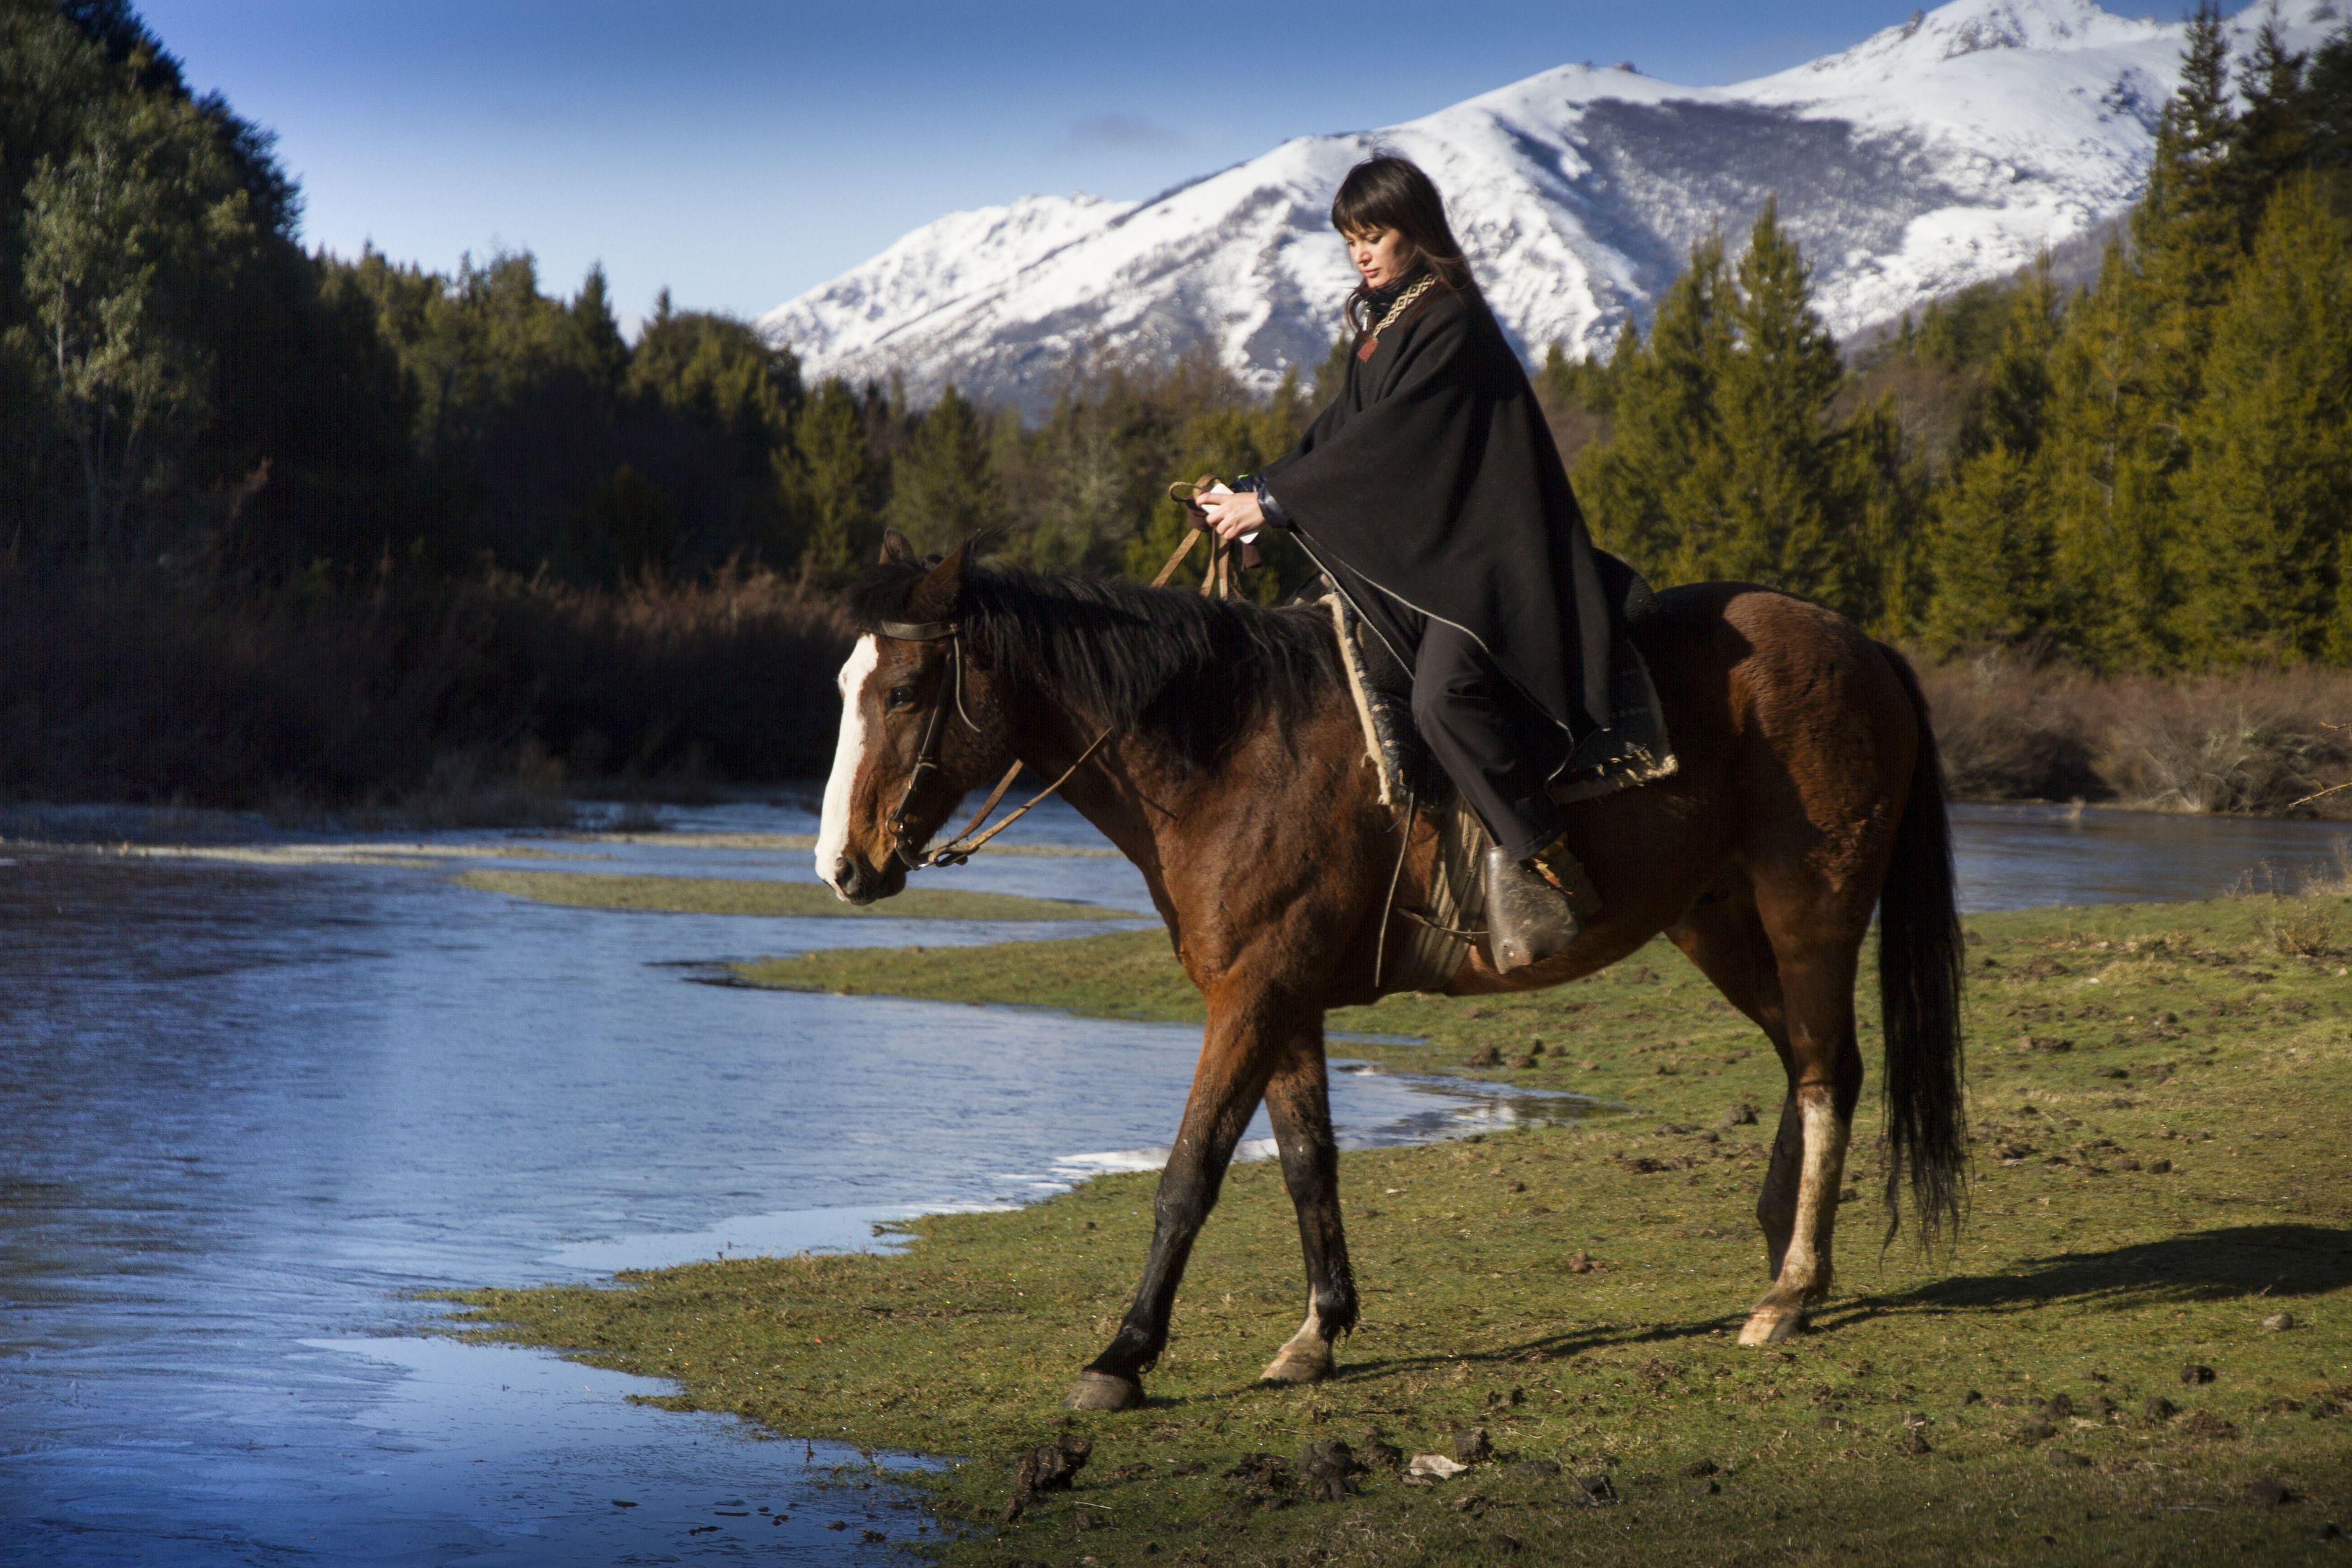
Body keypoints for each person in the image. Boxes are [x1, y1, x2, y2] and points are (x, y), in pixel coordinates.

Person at [1197, 154, 1624, 972]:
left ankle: (1548, 860)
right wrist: (1251, 498)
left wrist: (1279, 504)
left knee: (1445, 698)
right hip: (1436, 562)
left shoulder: (1450, 319)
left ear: (1416, 231)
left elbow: (1391, 451)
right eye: (1350, 239)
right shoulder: (1382, 328)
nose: (1361, 253)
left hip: (1488, 566)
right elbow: (1338, 440)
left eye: (1376, 234)